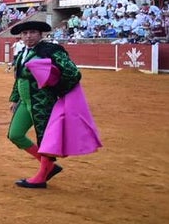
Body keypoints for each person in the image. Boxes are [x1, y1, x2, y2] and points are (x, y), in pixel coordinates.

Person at [7, 19, 100, 188]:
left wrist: (56, 88)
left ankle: (42, 176)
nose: (28, 37)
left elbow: (73, 73)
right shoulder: (22, 53)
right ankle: (49, 166)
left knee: (45, 140)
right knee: (15, 134)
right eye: (25, 33)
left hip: (42, 102)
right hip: (25, 101)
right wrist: (14, 98)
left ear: (41, 34)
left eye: (33, 32)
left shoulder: (51, 51)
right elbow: (19, 78)